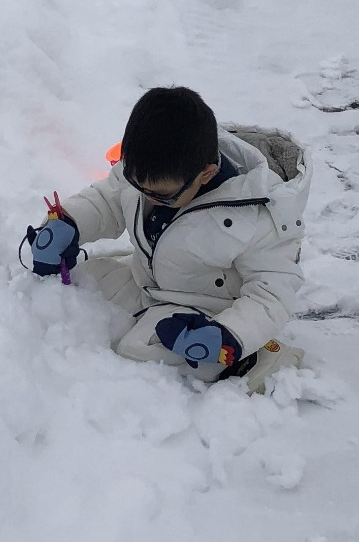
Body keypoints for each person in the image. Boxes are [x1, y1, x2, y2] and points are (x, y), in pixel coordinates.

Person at [22, 85, 309, 389]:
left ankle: (255, 359)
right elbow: (108, 200)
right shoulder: (148, 168)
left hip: (206, 312)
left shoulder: (261, 214)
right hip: (147, 281)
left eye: (162, 196)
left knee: (136, 351)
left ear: (206, 174)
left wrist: (229, 335)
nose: (148, 198)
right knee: (80, 285)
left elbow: (271, 294)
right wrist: (69, 222)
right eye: (137, 185)